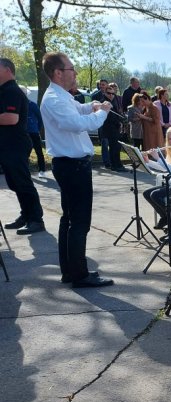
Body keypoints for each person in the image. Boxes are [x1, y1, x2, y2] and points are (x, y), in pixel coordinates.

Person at [40, 52, 112, 286]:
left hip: (71, 165)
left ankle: (71, 271)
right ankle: (78, 274)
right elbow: (80, 123)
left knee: (70, 219)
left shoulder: (62, 96)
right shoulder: (53, 98)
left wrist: (93, 105)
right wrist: (103, 111)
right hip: (72, 166)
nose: (75, 73)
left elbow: (78, 110)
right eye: (71, 69)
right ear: (58, 73)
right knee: (79, 221)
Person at [1, 57, 45, 234]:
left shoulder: (12, 91)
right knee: (14, 182)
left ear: (8, 70)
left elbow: (12, 118)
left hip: (15, 144)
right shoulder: (3, 90)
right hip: (7, 145)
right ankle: (25, 214)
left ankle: (36, 219)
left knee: (22, 182)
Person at [100, 85, 126, 172]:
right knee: (114, 147)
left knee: (116, 147)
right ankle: (115, 165)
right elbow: (109, 117)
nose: (111, 95)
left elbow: (117, 113)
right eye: (109, 93)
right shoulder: (104, 102)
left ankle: (116, 164)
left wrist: (121, 120)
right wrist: (118, 122)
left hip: (115, 127)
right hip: (109, 128)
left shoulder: (114, 101)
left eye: (112, 93)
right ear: (105, 93)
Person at [27, 95, 46, 180]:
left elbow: (40, 119)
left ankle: (42, 170)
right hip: (24, 133)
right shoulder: (18, 104)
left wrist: (37, 129)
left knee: (39, 152)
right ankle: (25, 171)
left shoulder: (33, 105)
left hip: (34, 132)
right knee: (24, 153)